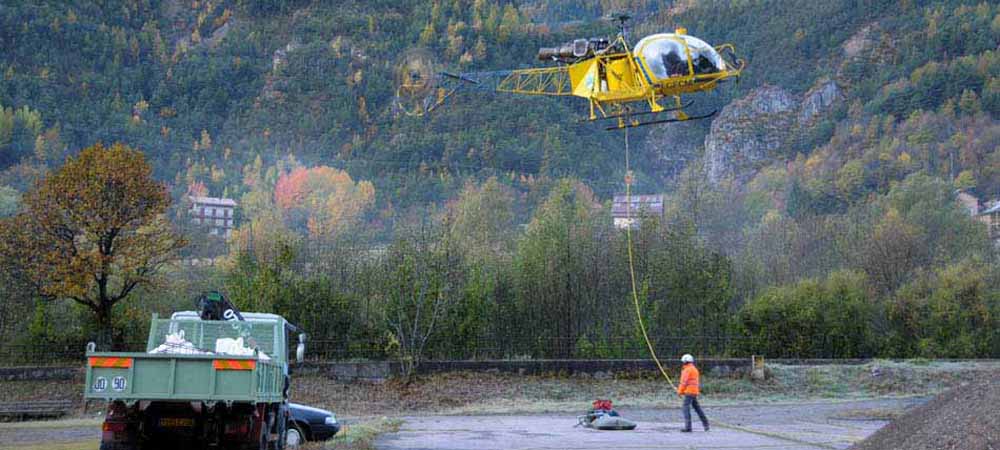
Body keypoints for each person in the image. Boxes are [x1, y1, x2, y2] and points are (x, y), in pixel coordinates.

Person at [678, 353, 709, 432]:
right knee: (697, 408)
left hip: (689, 392)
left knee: (685, 408)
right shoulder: (694, 369)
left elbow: (684, 382)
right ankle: (706, 424)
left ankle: (688, 427)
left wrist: (680, 391)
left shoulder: (687, 370)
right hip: (694, 391)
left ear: (685, 362)